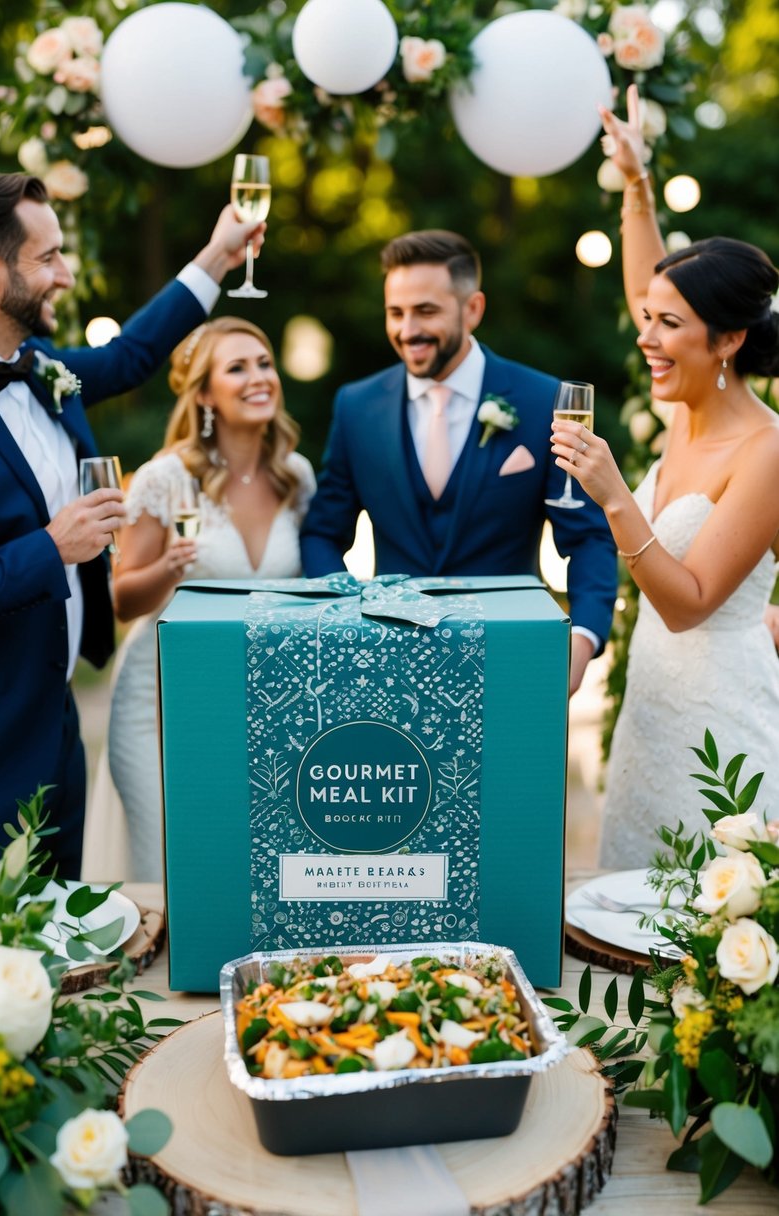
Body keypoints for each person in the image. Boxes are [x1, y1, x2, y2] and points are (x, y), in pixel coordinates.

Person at [0, 168, 264, 876]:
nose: (65, 274)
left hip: (57, 721)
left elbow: (130, 357)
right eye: (49, 257)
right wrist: (51, 548)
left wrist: (219, 255)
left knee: (62, 949)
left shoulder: (38, 367)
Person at [551, 86, 779, 867]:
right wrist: (635, 184)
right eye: (646, 318)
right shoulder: (684, 400)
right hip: (648, 713)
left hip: (722, 730)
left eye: (667, 325)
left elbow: (686, 604)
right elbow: (650, 283)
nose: (646, 337)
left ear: (727, 340)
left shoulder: (765, 451)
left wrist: (614, 496)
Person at [299, 229, 617, 695]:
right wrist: (349, 614)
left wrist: (582, 640)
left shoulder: (540, 400)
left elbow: (587, 537)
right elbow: (322, 531)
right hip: (387, 666)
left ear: (473, 309)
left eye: (426, 311)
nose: (407, 331)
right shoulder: (356, 407)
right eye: (395, 312)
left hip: (511, 662)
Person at [103, 318, 314, 881]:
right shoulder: (167, 477)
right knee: (166, 864)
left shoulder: (295, 477)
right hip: (162, 697)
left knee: (237, 867)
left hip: (255, 699)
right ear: (203, 393)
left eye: (264, 363)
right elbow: (121, 599)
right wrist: (168, 569)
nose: (258, 377)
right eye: (237, 368)